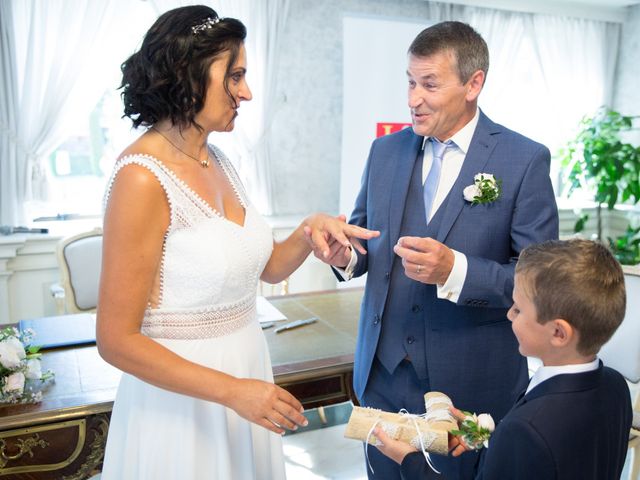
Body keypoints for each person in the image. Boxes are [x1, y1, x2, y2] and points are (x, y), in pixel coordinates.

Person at [96, 6, 378, 480]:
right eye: (235, 76)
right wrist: (233, 391)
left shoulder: (219, 160)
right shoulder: (141, 179)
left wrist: (309, 232)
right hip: (183, 405)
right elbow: (115, 341)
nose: (246, 93)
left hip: (247, 375)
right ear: (187, 73)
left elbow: (264, 266)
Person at [308, 21, 559, 479]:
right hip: (382, 378)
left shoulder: (524, 160)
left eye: (429, 84)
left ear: (473, 83)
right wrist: (343, 257)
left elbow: (540, 280)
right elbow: (365, 243)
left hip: (472, 386)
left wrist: (456, 270)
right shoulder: (384, 152)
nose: (412, 99)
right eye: (409, 81)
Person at [373, 238, 633, 480]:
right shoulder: (615, 387)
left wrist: (407, 459)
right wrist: (490, 439)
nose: (509, 315)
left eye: (518, 309)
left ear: (558, 332)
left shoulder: (525, 430)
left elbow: (535, 440)